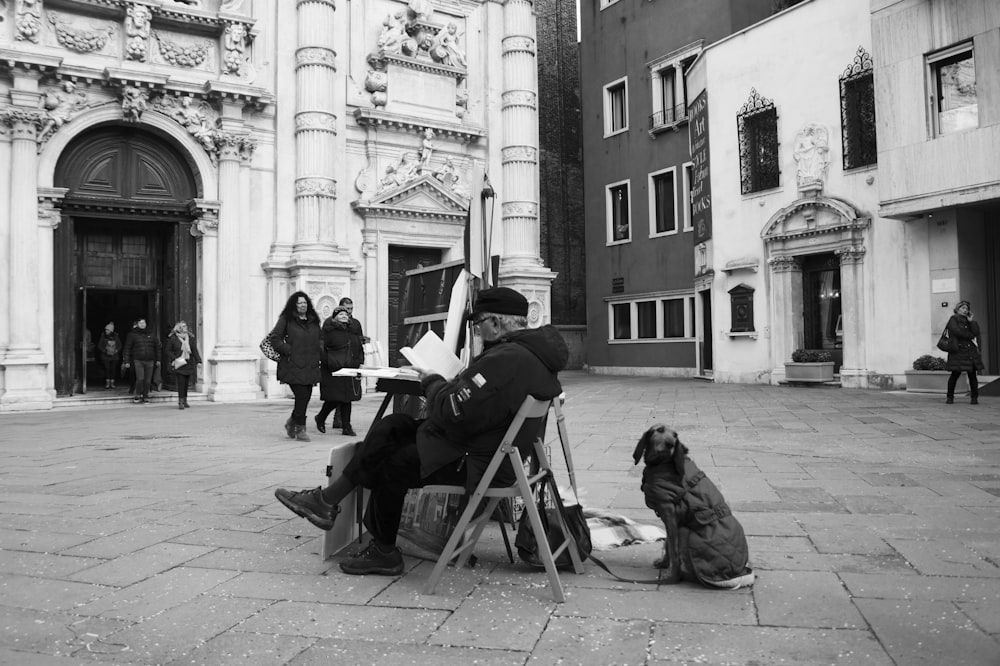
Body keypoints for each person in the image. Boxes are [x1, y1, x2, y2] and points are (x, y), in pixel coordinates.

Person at [274, 287, 569, 576]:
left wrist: (433, 382)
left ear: (496, 322)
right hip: (482, 447)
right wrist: (456, 383)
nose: (477, 332)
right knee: (393, 425)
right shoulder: (529, 354)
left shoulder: (506, 359)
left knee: (392, 462)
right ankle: (326, 501)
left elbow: (454, 410)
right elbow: (478, 407)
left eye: (479, 325)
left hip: (479, 462)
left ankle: (384, 551)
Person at [267, 291, 322, 441]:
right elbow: (275, 338)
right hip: (292, 365)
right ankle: (300, 429)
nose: (303, 305)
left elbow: (320, 338)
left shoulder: (313, 320)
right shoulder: (286, 319)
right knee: (301, 396)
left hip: (310, 365)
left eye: (305, 302)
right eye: (299, 303)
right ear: (294, 305)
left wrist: (320, 350)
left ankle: (291, 423)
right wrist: (288, 349)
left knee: (305, 397)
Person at [314, 306, 363, 436]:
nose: (344, 316)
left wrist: (359, 361)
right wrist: (328, 362)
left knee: (347, 398)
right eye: (340, 314)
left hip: (349, 368)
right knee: (334, 398)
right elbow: (320, 348)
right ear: (334, 316)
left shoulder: (352, 330)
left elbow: (358, 347)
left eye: (345, 314)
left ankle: (347, 427)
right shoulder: (328, 330)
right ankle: (321, 417)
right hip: (333, 370)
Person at [329, 296, 368, 429]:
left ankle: (344, 422)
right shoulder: (331, 323)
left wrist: (361, 360)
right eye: (347, 309)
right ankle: (336, 417)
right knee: (338, 392)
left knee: (349, 393)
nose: (349, 311)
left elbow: (359, 341)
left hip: (352, 361)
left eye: (351, 309)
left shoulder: (355, 323)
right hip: (338, 362)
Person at [945, 300, 984, 405]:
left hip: (970, 352)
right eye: (963, 308)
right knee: (955, 374)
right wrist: (969, 335)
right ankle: (950, 397)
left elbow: (976, 332)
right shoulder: (953, 319)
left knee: (972, 375)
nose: (965, 310)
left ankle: (974, 398)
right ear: (957, 309)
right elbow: (956, 331)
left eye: (967, 308)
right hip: (958, 351)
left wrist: (971, 321)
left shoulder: (970, 321)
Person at [122, 317, 161, 404]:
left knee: (147, 380)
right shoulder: (132, 335)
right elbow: (127, 348)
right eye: (141, 323)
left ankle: (146, 396)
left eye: (144, 323)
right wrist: (126, 361)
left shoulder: (151, 334)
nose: (142, 324)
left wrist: (158, 359)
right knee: (140, 378)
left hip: (150, 360)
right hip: (138, 360)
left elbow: (157, 347)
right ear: (137, 325)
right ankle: (138, 394)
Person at [165, 321, 201, 410]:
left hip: (188, 363)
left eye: (186, 326)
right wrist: (175, 358)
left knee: (186, 383)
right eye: (183, 326)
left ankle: (185, 400)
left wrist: (198, 361)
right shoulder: (173, 338)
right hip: (179, 363)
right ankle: (180, 401)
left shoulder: (190, 338)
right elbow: (167, 351)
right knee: (181, 383)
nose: (185, 328)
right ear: (179, 328)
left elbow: (194, 350)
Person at [96, 322, 122, 389]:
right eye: (106, 330)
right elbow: (99, 345)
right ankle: (107, 383)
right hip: (105, 356)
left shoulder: (116, 336)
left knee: (113, 369)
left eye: (107, 330)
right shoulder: (103, 336)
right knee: (107, 369)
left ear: (111, 330)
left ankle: (112, 383)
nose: (106, 331)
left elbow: (120, 345)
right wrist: (105, 351)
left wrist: (116, 351)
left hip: (114, 356)